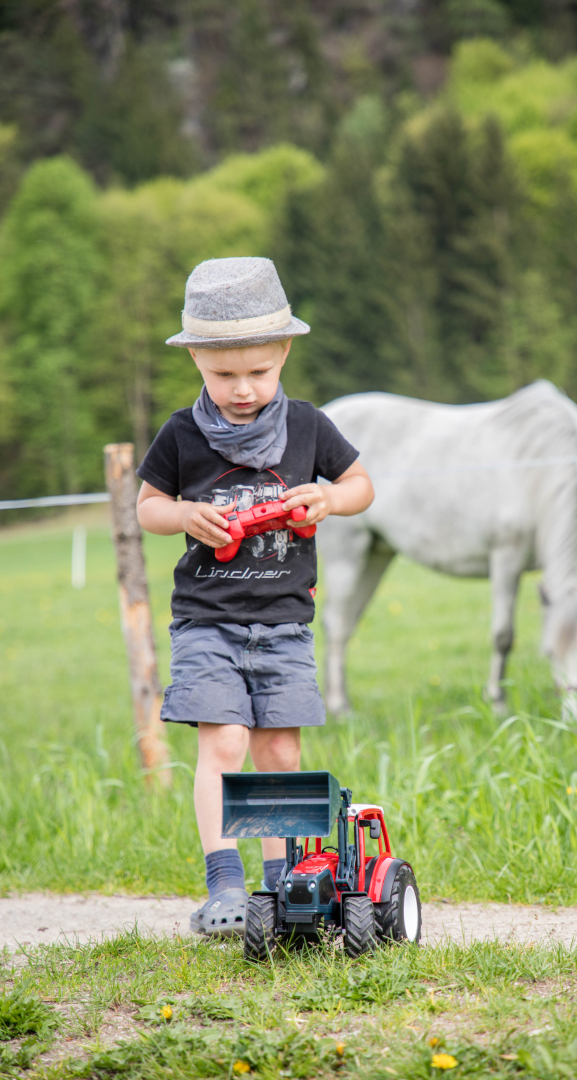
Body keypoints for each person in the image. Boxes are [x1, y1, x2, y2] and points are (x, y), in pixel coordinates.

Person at [136, 257, 374, 937]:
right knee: (227, 741)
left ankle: (281, 889)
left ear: (285, 353)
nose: (243, 389)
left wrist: (327, 497)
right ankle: (225, 886)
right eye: (224, 375)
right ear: (197, 365)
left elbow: (362, 487)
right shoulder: (182, 434)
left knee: (279, 753)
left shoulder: (307, 426)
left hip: (285, 625)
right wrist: (184, 515)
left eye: (259, 373)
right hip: (207, 622)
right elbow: (145, 507)